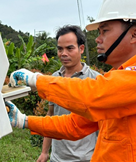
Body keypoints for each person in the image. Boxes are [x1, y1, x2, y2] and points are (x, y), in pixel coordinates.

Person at [6, 0, 136, 162]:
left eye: (104, 30)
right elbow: (74, 125)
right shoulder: (117, 78)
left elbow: (92, 96)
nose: (97, 39)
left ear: (134, 35)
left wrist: (35, 80)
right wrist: (25, 121)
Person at [37, 25, 100, 162]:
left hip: (86, 158)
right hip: (57, 158)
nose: (63, 53)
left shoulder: (96, 79)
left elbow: (103, 124)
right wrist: (44, 152)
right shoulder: (54, 79)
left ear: (81, 49)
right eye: (60, 49)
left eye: (69, 48)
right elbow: (51, 115)